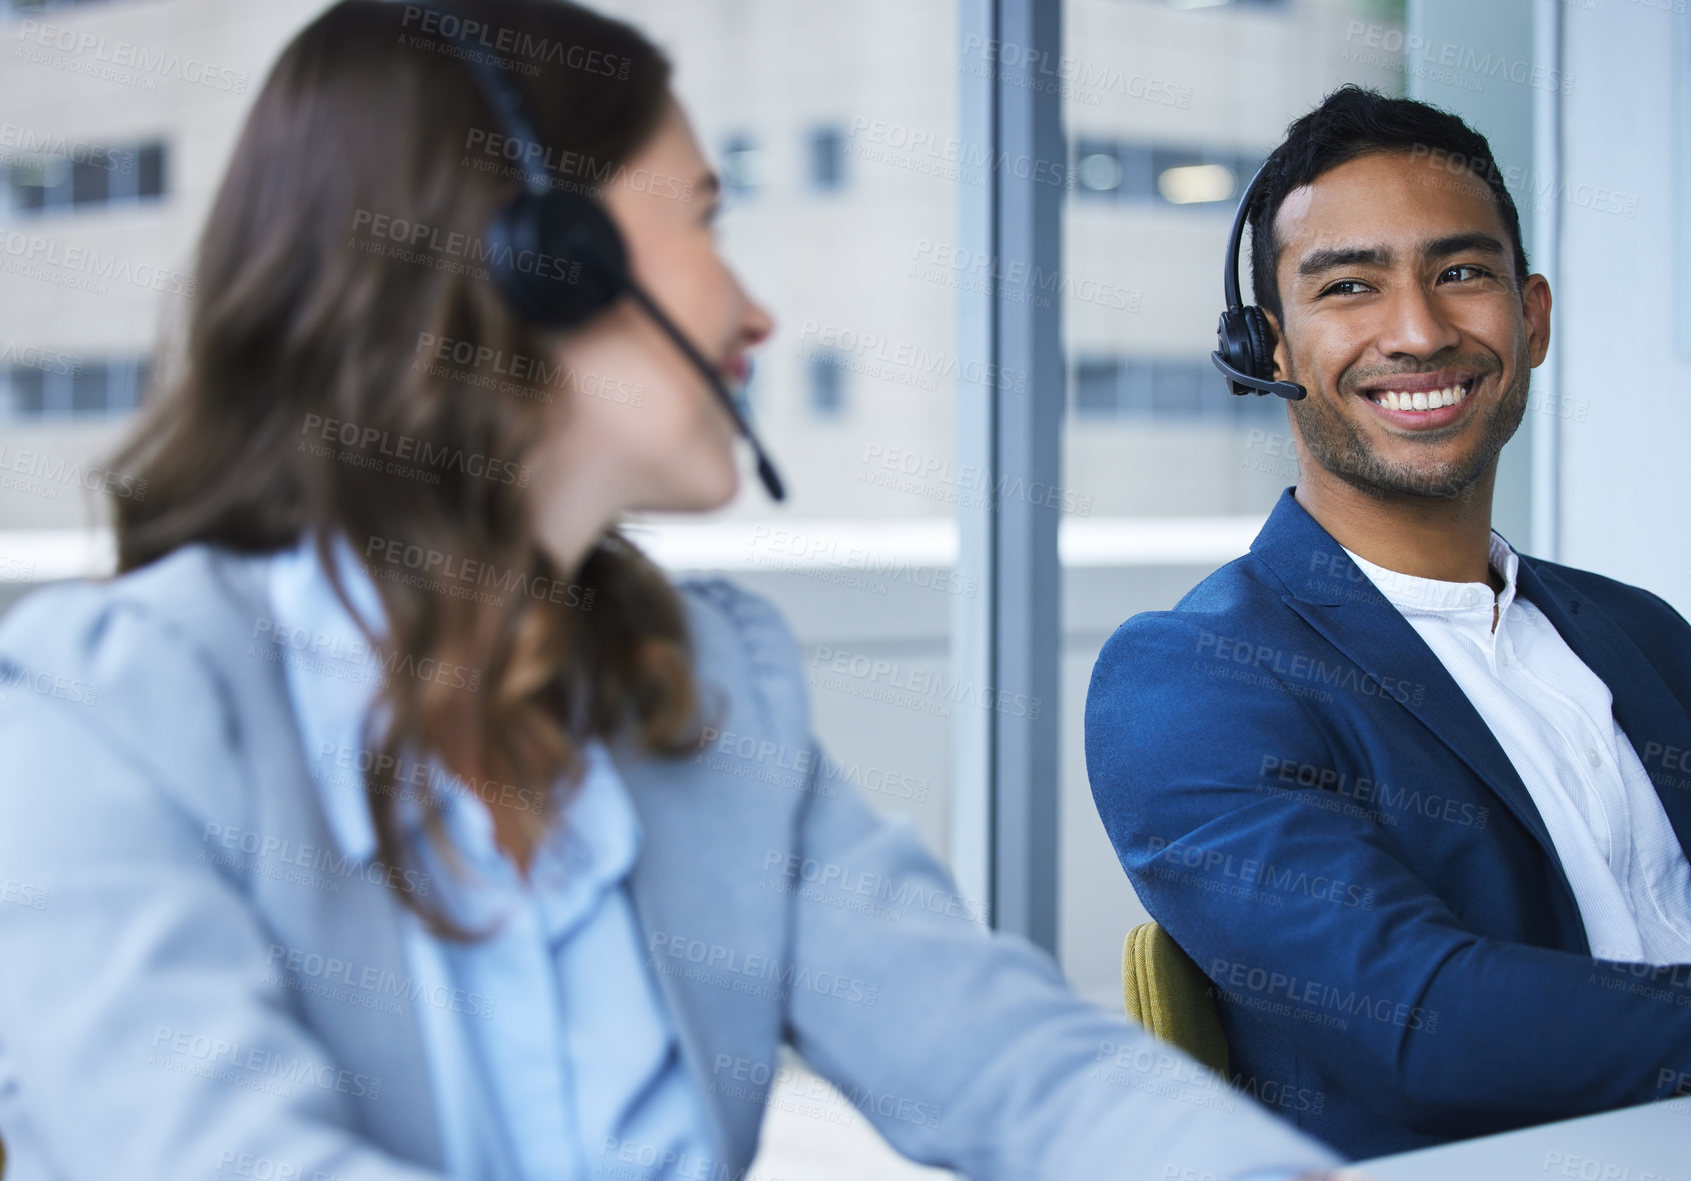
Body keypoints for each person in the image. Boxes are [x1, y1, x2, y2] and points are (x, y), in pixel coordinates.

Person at [0, 3, 1350, 1179]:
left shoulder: (707, 687)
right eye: (704, 219)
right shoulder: (101, 717)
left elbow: (1005, 1060)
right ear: (540, 258)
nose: (754, 314)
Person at [1085, 84, 1691, 1161]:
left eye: (1459, 273)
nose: (1415, 331)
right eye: (1349, 286)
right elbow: (1422, 1024)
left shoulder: (1638, 631)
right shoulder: (1192, 677)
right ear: (1266, 345)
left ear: (1531, 318)